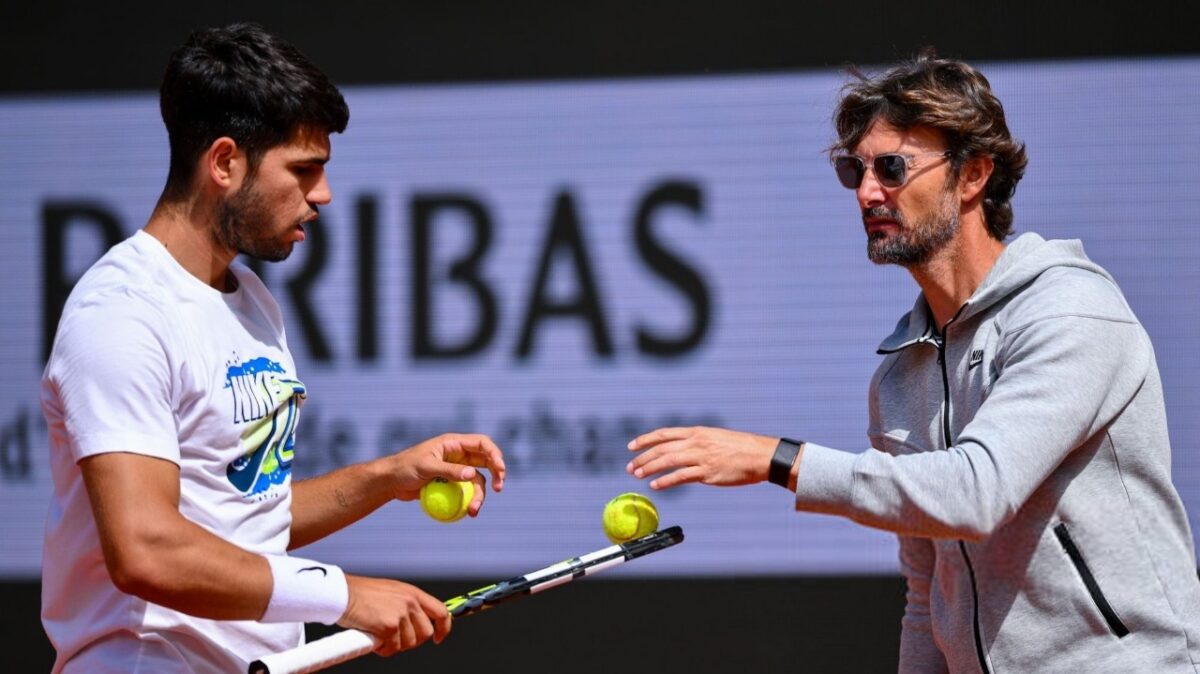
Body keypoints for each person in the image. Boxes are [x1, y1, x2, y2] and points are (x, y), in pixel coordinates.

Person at [626, 52, 1200, 672]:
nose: (869, 192)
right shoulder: (899, 375)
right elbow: (928, 597)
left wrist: (778, 460)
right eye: (856, 170)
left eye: (893, 167)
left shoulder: (1070, 309)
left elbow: (978, 492)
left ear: (973, 173)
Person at [40, 23, 506, 674]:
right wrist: (343, 595)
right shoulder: (121, 315)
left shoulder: (251, 299)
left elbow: (240, 520)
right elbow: (145, 548)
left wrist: (385, 478)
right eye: (304, 170)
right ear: (225, 163)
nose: (323, 196)